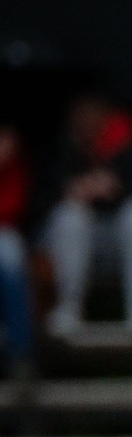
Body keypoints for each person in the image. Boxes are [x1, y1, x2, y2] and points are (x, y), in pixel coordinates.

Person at [43, 94, 132, 338]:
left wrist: (112, 188)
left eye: (92, 111)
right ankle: (66, 309)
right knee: (69, 216)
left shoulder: (125, 141)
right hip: (72, 245)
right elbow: (41, 199)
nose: (86, 118)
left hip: (117, 242)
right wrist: (76, 190)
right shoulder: (60, 144)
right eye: (81, 111)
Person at [0, 125, 32, 373]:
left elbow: (14, 208)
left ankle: (21, 355)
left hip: (5, 230)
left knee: (12, 263)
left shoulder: (16, 167)